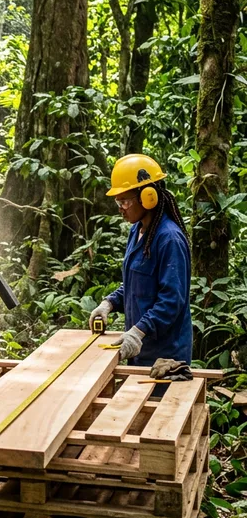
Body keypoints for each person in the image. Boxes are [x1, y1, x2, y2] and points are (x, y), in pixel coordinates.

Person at [88, 154, 192, 366]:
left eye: (125, 201)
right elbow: (136, 284)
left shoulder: (169, 239)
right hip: (138, 349)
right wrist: (109, 303)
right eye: (118, 201)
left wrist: (138, 331)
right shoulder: (137, 230)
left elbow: (171, 301)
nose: (120, 208)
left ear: (148, 197)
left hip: (165, 356)